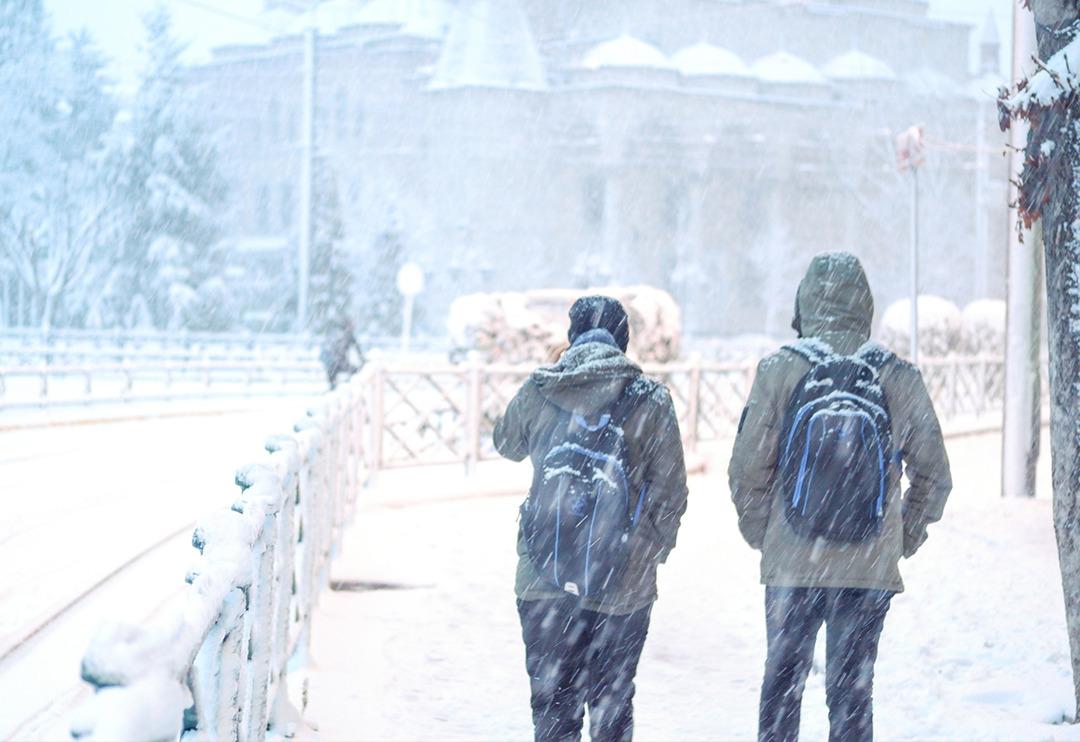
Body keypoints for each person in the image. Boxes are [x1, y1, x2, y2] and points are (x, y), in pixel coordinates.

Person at [729, 252, 953, 742]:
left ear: (806, 303)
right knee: (852, 694)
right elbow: (934, 478)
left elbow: (747, 472)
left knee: (782, 688)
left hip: (793, 566)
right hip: (868, 566)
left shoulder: (779, 371)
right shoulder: (896, 375)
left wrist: (770, 536)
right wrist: (898, 539)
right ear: (864, 305)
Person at [493, 295, 689, 742]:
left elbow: (505, 443)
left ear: (571, 337)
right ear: (623, 341)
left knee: (554, 711)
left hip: (545, 578)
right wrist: (642, 556)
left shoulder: (542, 388)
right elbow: (671, 494)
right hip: (622, 590)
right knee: (612, 708)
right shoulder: (651, 400)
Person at [319, 317, 363, 390]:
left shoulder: (339, 334)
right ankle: (345, 388)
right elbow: (357, 349)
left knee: (333, 374)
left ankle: (336, 389)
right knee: (356, 372)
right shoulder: (347, 335)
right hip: (339, 362)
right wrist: (362, 361)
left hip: (336, 363)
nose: (354, 326)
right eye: (352, 324)